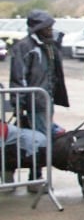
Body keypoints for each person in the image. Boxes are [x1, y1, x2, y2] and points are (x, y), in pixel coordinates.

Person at [8, 10, 68, 140]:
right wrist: (19, 104)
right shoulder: (25, 47)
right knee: (41, 137)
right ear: (38, 29)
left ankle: (44, 157)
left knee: (45, 134)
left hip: (47, 99)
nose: (50, 30)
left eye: (50, 27)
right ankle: (42, 157)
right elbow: (19, 78)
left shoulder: (50, 46)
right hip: (35, 102)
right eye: (47, 28)